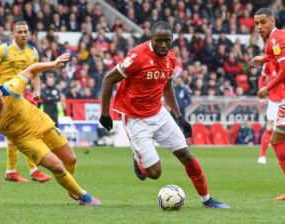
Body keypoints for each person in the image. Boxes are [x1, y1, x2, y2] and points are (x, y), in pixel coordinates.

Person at [99, 21, 229, 208]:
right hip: (135, 119)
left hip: (159, 114)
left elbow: (167, 86)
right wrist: (105, 113)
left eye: (167, 41)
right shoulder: (137, 57)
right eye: (159, 41)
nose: (163, 45)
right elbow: (108, 79)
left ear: (172, 40)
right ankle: (139, 159)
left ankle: (207, 199)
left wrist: (178, 116)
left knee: (185, 154)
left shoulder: (170, 58)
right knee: (154, 173)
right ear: (151, 38)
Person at [0, 53, 101, 207]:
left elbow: (32, 69)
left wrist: (53, 64)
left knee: (71, 160)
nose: (1, 101)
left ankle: (71, 187)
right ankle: (85, 197)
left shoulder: (10, 88)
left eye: (0, 96)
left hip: (42, 123)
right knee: (57, 166)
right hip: (25, 140)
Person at [0, 20, 51, 183]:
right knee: (23, 132)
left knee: (17, 134)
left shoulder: (33, 52)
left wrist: (37, 91)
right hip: (2, 99)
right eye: (19, 32)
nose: (23, 34)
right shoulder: (3, 50)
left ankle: (12, 171)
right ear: (13, 34)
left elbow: (36, 73)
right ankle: (31, 170)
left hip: (19, 98)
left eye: (26, 31)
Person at [250, 8, 285, 201]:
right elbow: (274, 58)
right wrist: (262, 58)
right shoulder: (272, 42)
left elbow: (284, 70)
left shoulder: (277, 38)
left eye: (262, 22)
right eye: (256, 24)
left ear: (272, 21)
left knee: (278, 141)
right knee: (277, 141)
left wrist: (266, 87)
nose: (259, 27)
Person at [257, 61, 284, 164]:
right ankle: (262, 155)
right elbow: (262, 77)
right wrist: (261, 91)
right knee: (270, 126)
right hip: (274, 100)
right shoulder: (269, 63)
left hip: (284, 100)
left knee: (281, 129)